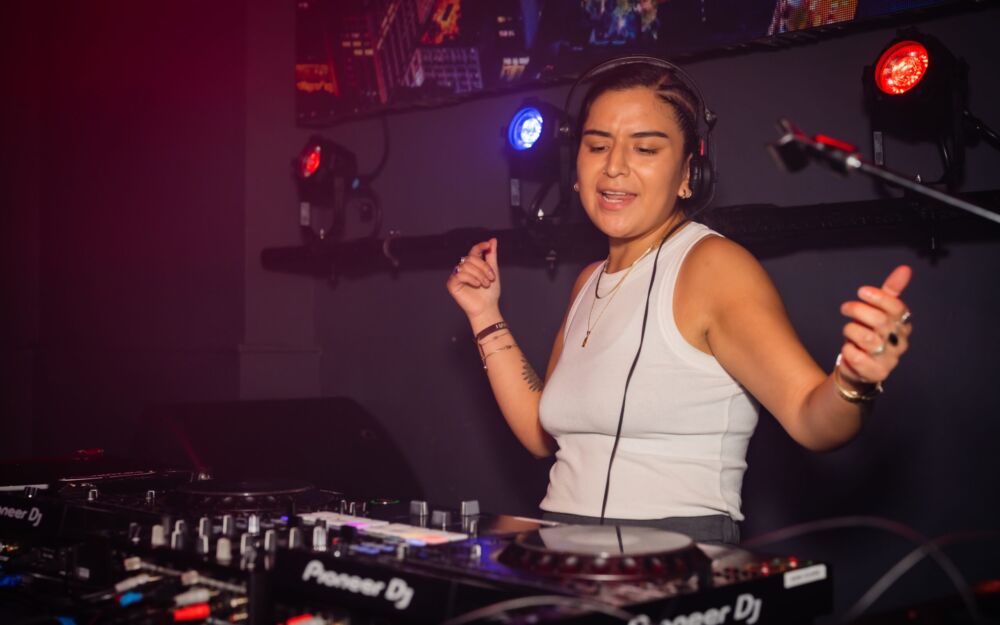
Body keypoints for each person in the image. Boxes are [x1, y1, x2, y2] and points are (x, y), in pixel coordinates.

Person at [445, 59, 912, 544]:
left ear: (690, 173)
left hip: (674, 551)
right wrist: (485, 314)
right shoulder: (589, 281)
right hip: (561, 547)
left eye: (645, 148)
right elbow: (540, 434)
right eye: (598, 145)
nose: (614, 166)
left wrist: (854, 381)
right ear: (575, 168)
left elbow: (812, 421)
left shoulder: (712, 267)